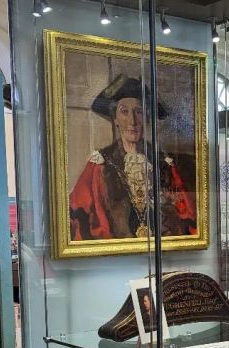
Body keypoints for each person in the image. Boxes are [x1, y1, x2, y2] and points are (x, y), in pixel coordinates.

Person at [69, 75, 196, 241]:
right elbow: (78, 217)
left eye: (139, 112)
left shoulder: (163, 163)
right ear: (115, 119)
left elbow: (186, 216)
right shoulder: (100, 164)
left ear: (147, 118)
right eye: (124, 112)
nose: (132, 121)